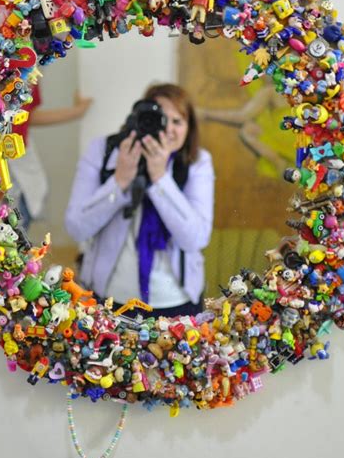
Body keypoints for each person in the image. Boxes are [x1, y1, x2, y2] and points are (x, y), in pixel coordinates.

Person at [65, 83, 215, 317]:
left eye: (177, 121)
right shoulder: (104, 151)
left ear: (189, 128)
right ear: (139, 119)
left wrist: (160, 178)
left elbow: (195, 238)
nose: (167, 130)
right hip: (107, 298)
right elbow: (76, 228)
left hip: (177, 301)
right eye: (159, 119)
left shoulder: (197, 163)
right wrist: (120, 180)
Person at [11, 84, 92, 229]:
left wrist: (76, 112)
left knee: (14, 232)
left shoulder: (29, 71)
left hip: (19, 169)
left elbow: (26, 117)